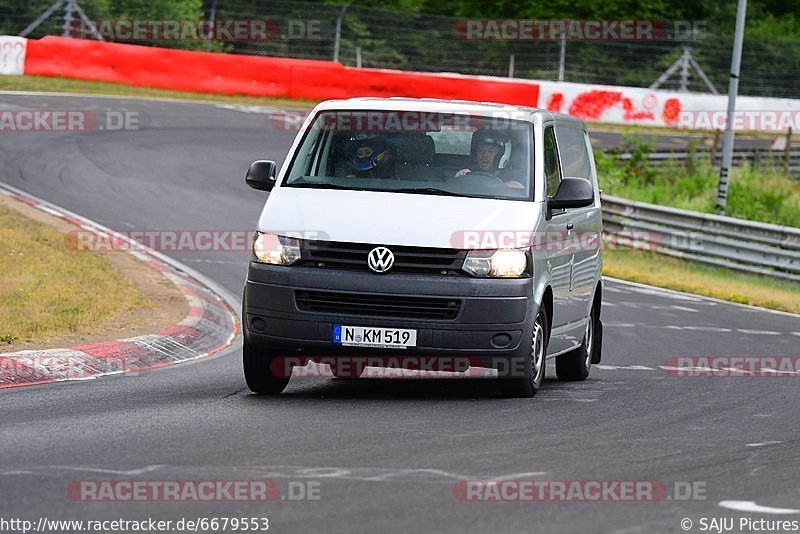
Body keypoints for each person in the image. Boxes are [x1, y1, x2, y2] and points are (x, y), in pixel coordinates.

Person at [454, 130, 524, 189]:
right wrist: (460, 179)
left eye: (491, 152)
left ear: (501, 156)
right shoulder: (469, 172)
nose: (485, 155)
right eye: (481, 150)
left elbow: (519, 187)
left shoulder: (513, 174)